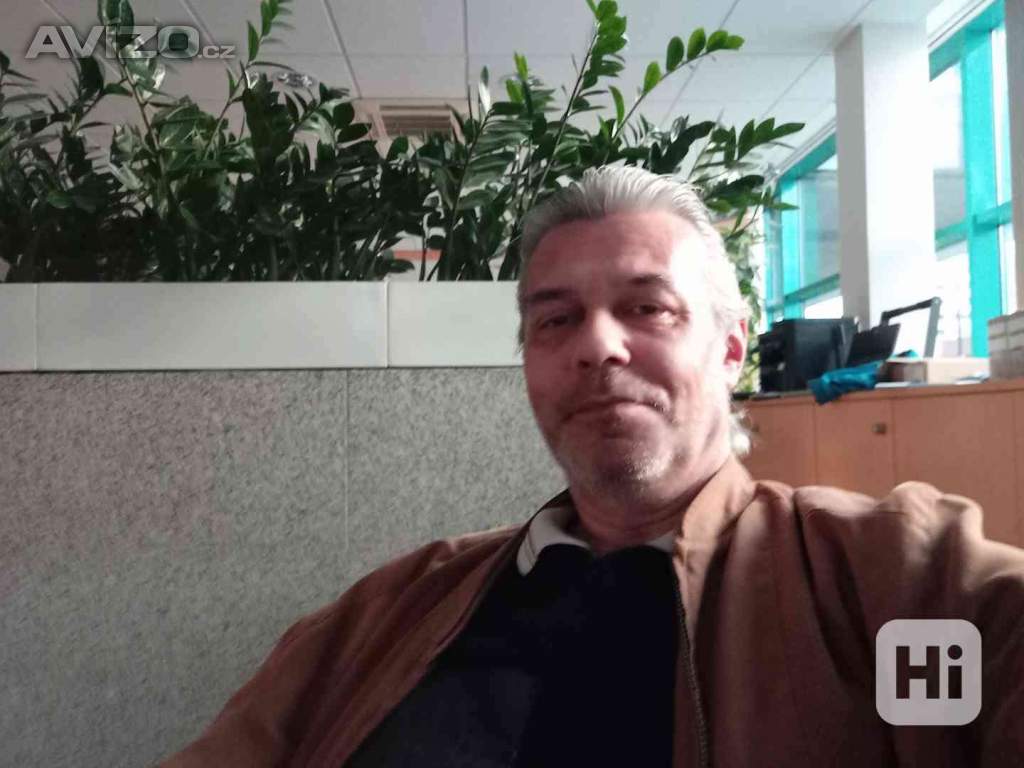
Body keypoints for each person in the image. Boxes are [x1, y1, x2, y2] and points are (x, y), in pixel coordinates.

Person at [160, 166, 1024, 768]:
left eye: (647, 307)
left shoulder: (884, 586)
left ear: (731, 348)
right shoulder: (395, 610)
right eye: (556, 320)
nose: (597, 346)